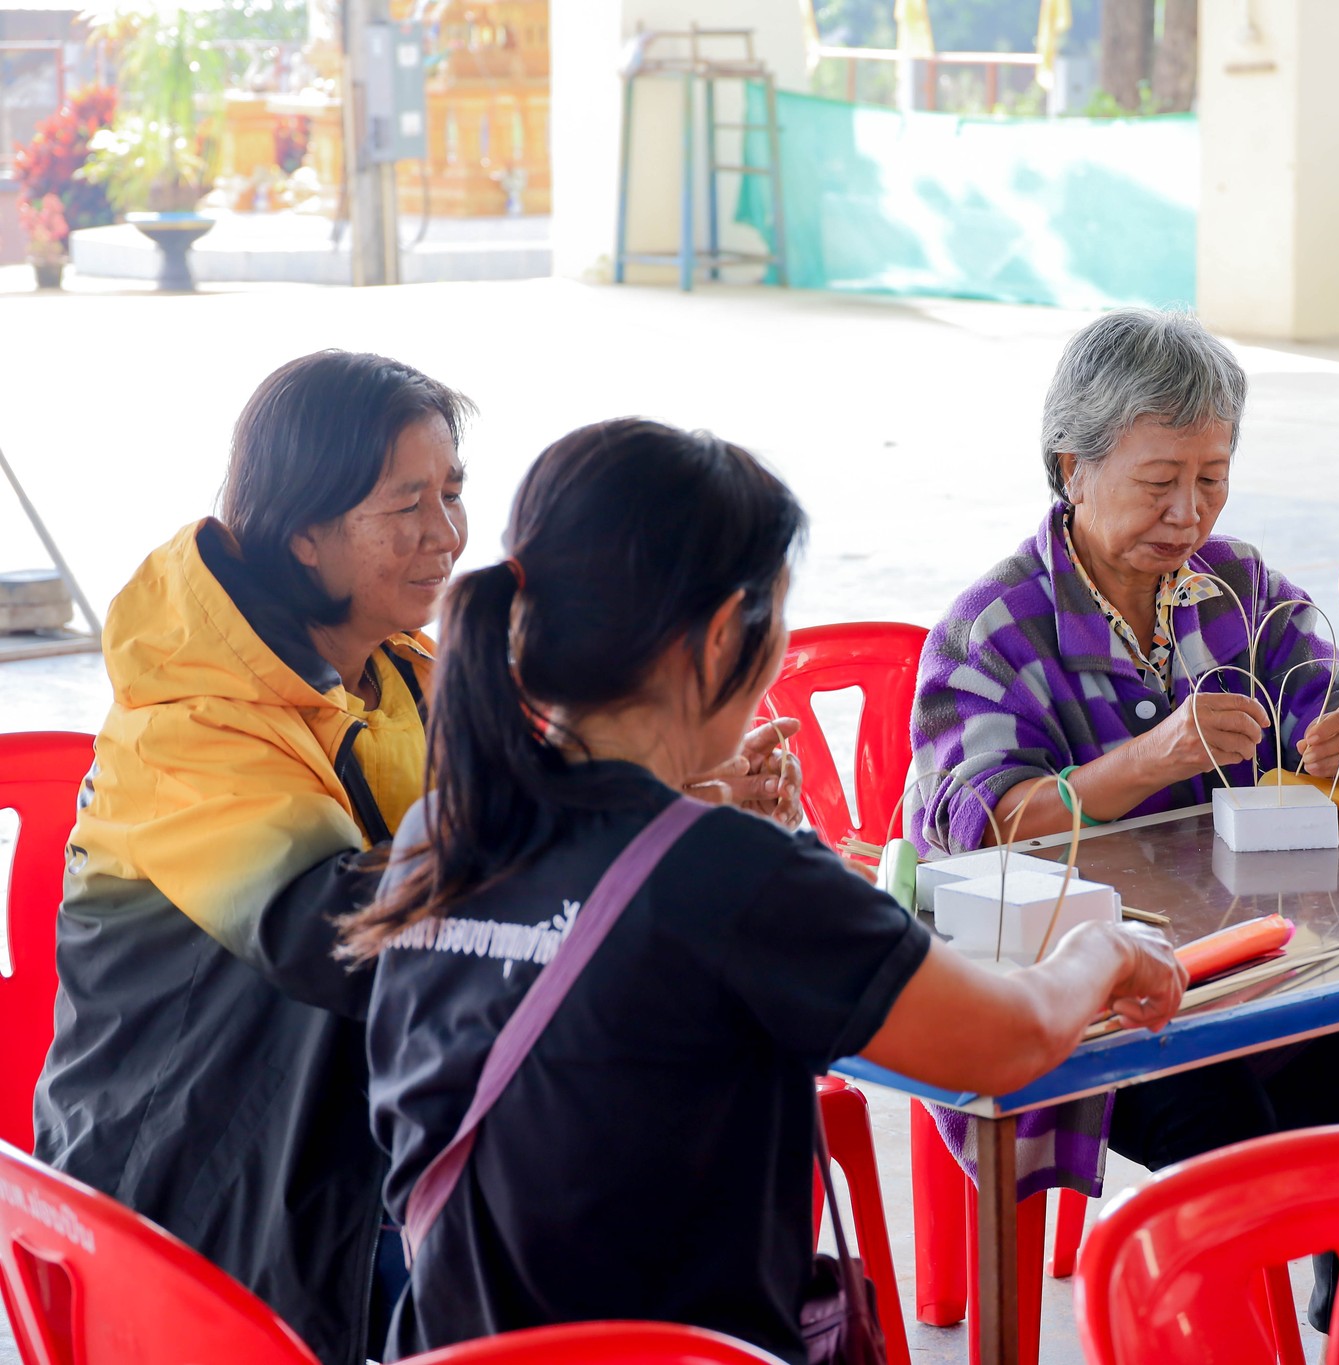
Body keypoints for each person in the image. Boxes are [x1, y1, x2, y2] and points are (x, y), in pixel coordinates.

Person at [347, 418, 1185, 1364]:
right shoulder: (734, 875)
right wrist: (1104, 949)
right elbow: (1012, 1038)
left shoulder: (444, 829)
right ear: (717, 638)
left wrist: (692, 800)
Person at [30, 354, 797, 1365]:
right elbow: (346, 938)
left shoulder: (399, 672)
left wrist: (678, 795)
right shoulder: (187, 730)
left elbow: (533, 829)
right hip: (215, 1175)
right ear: (305, 533)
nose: (445, 534)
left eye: (453, 491)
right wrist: (641, 830)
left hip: (366, 1127)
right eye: (406, 505)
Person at [908, 308, 1339, 1335]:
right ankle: (1236, 1333)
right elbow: (975, 829)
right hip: (1086, 998)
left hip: (1243, 963)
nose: (1187, 510)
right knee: (1213, 1120)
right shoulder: (993, 628)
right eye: (1159, 481)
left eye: (1211, 476)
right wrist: (1149, 760)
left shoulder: (1230, 588)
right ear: (1071, 465)